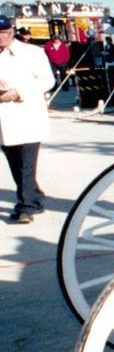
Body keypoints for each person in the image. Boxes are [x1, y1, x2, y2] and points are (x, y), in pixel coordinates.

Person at [0, 16, 54, 224]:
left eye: (5, 33)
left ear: (12, 32)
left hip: (27, 116)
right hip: (4, 122)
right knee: (16, 164)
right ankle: (35, 197)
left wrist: (18, 92)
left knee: (26, 164)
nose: (2, 37)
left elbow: (47, 81)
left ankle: (26, 207)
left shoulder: (32, 53)